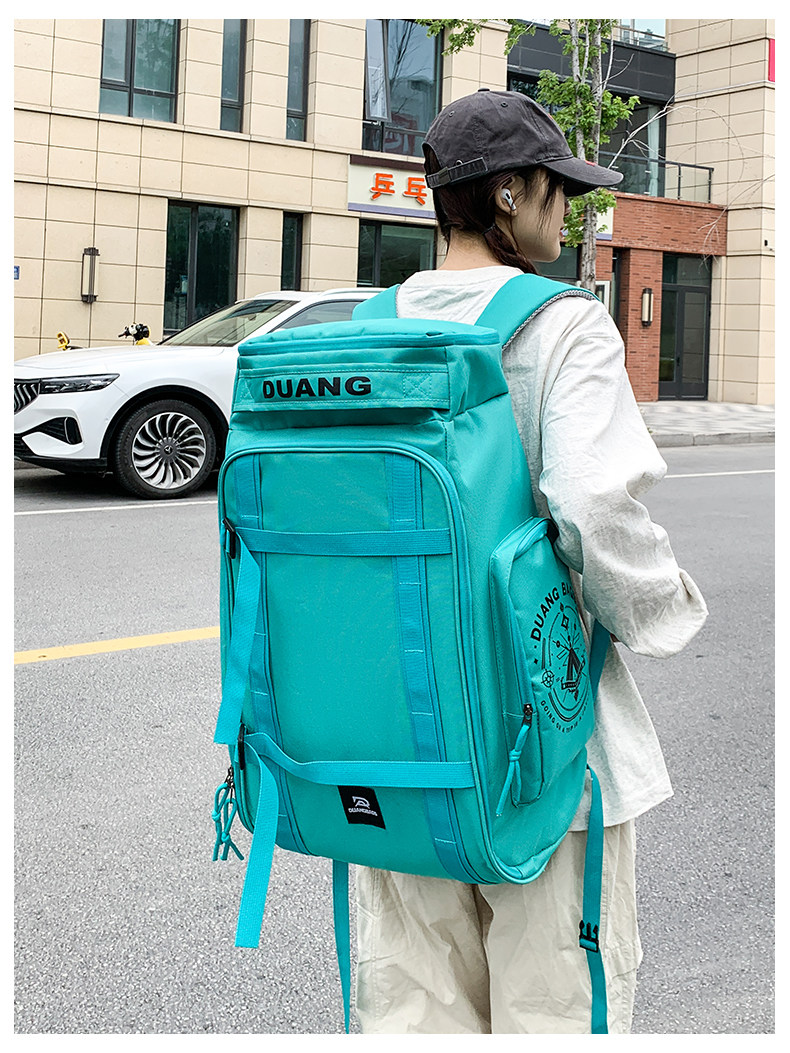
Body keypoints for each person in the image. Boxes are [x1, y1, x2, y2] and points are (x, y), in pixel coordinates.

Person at [353, 89, 708, 1035]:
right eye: (559, 190)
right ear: (509, 193)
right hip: (543, 758)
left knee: (415, 1017)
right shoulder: (564, 324)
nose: (569, 211)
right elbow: (591, 505)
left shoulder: (369, 324)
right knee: (556, 1013)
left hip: (395, 747)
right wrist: (666, 608)